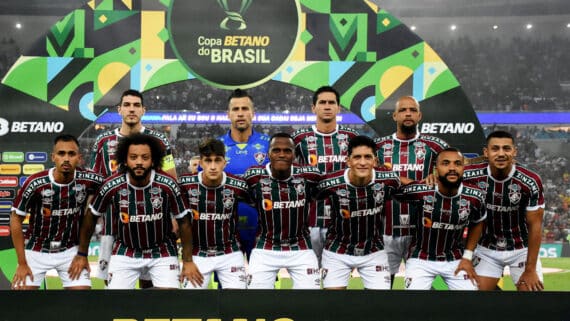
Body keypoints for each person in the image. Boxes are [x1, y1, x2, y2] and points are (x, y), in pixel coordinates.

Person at [69, 133, 201, 289]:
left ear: (153, 160)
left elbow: (184, 222)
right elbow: (91, 216)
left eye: (145, 158)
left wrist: (187, 261)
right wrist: (82, 255)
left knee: (167, 302)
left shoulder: (168, 184)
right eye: (133, 157)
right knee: (116, 305)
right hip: (125, 251)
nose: (139, 162)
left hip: (162, 251)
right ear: (125, 160)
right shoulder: (111, 185)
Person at [89, 89, 177, 286]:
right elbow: (94, 185)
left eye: (136, 105)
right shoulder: (102, 142)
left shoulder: (159, 141)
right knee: (114, 290)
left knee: (151, 286)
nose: (131, 109)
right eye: (127, 105)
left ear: (143, 110)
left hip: (152, 226)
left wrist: (174, 217)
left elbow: (172, 179)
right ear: (119, 109)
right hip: (112, 228)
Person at [10, 134, 103, 290]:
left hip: (70, 251)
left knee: (84, 300)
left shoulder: (89, 179)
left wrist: (82, 254)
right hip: (36, 250)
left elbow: (114, 187)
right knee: (20, 300)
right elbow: (15, 219)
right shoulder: (35, 183)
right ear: (53, 157)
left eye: (71, 154)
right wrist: (22, 263)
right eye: (61, 154)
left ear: (79, 158)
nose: (66, 159)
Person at [374, 95, 449, 287]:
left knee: (419, 288)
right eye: (403, 110)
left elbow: (455, 173)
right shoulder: (378, 148)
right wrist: (419, 184)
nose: (408, 113)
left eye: (413, 110)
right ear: (394, 116)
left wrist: (438, 177)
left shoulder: (435, 146)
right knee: (381, 287)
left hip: (421, 232)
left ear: (419, 115)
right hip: (384, 230)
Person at [463, 130, 545, 291]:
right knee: (474, 305)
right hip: (486, 249)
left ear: (514, 151)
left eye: (506, 148)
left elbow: (535, 226)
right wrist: (432, 177)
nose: (501, 153)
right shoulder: (470, 176)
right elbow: (444, 176)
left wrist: (530, 270)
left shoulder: (530, 181)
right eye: (495, 149)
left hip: (521, 249)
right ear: (486, 152)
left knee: (533, 305)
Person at [317, 135, 401, 290]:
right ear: (348, 161)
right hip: (337, 251)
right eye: (357, 157)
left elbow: (410, 192)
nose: (362, 162)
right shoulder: (329, 183)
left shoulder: (389, 181)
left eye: (368, 157)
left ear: (375, 161)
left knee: (379, 307)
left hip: (374, 252)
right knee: (332, 306)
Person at [399, 148, 486, 290]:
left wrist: (468, 257)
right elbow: (392, 183)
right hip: (420, 259)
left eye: (457, 164)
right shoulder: (421, 190)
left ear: (463, 168)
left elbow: (478, 222)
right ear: (436, 169)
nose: (452, 168)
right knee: (413, 304)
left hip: (456, 259)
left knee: (471, 302)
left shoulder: (475, 196)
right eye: (445, 163)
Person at [243, 133, 322, 289]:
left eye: (287, 151)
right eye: (276, 150)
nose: (282, 155)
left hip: (301, 247)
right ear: (268, 154)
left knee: (311, 301)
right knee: (256, 302)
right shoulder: (253, 176)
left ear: (294, 154)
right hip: (265, 247)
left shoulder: (310, 175)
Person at [291, 85, 359, 265]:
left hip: (343, 221)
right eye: (322, 102)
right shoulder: (299, 138)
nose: (327, 106)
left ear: (338, 107)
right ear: (314, 108)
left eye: (331, 102)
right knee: (310, 276)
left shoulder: (352, 137)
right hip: (309, 221)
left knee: (337, 276)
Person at [178, 138, 250, 289]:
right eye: (208, 161)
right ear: (201, 163)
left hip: (230, 253)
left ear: (225, 162)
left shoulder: (239, 186)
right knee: (190, 305)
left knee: (238, 303)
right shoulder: (185, 185)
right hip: (198, 253)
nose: (213, 166)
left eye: (217, 160)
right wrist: (187, 260)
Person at [219, 88, 270, 259]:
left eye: (245, 109)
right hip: (226, 227)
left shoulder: (270, 145)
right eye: (235, 109)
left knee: (262, 281)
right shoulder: (216, 148)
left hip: (263, 226)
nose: (240, 113)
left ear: (253, 113)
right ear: (228, 114)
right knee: (227, 282)